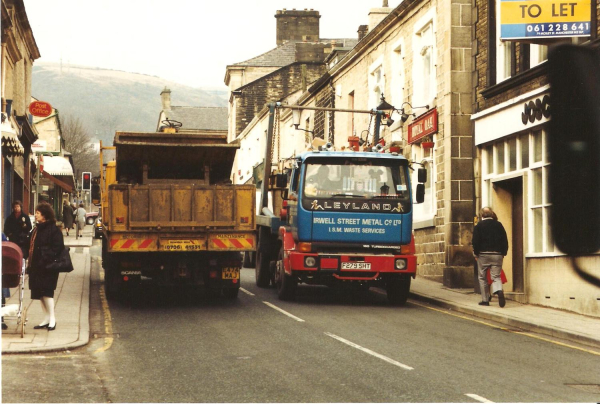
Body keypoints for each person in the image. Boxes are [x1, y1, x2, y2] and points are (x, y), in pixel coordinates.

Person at [27, 203, 64, 331]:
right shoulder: (36, 229)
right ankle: (46, 318)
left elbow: (57, 248)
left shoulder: (53, 230)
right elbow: (29, 244)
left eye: (38, 212)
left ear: (45, 215)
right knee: (40, 293)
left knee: (47, 293)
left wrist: (45, 258)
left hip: (48, 267)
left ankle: (52, 319)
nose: (35, 215)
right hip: (36, 267)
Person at [472, 206, 509, 308]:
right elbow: (504, 240)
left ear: (482, 215)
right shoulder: (499, 225)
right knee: (496, 276)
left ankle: (485, 300)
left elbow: (475, 242)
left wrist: (476, 253)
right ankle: (499, 290)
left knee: (482, 277)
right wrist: (503, 253)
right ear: (492, 214)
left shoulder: (478, 226)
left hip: (483, 255)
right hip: (497, 254)